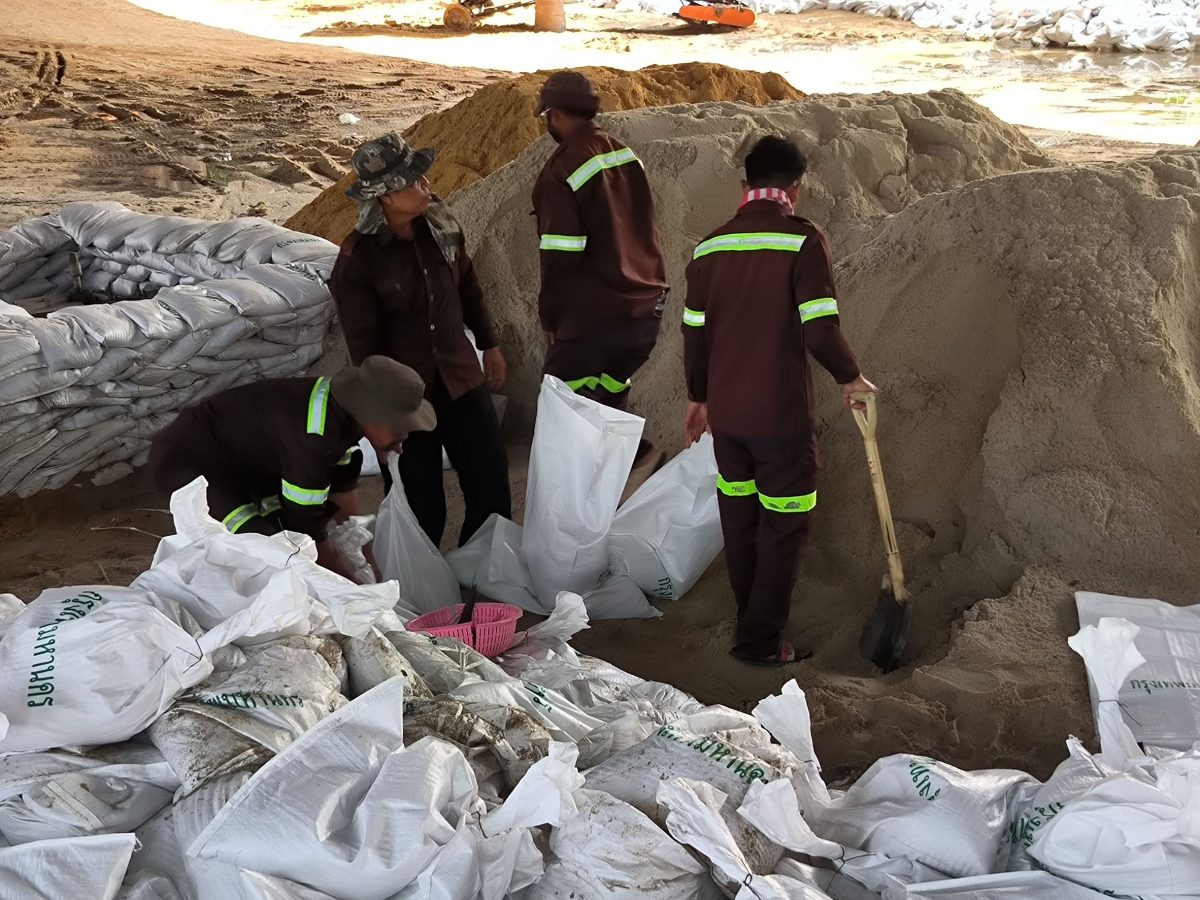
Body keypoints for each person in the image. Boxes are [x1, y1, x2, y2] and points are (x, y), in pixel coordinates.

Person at [681, 135, 877, 667]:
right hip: (781, 420)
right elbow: (819, 328)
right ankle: (760, 642)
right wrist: (851, 376)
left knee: (740, 521)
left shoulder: (709, 247)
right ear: (797, 188)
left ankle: (752, 624)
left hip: (728, 418)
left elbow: (694, 333)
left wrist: (698, 398)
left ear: (744, 186)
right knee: (784, 526)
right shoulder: (802, 240)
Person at [330, 132, 511, 548]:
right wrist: (381, 414)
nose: (426, 186)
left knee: (490, 482)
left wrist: (490, 345)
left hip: (461, 377)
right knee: (421, 502)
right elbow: (365, 348)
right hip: (405, 400)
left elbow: (468, 289)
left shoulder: (442, 229)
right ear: (386, 197)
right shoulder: (360, 259)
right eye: (413, 182)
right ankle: (423, 596)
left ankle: (481, 574)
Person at [147, 357, 436, 580]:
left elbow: (343, 490)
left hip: (248, 467)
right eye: (400, 427)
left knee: (286, 543)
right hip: (192, 465)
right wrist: (351, 587)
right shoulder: (315, 437)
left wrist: (370, 559)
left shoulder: (343, 412)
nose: (404, 437)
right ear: (373, 414)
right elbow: (305, 526)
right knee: (266, 550)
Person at [532, 71, 669, 471]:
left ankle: (638, 461)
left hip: (595, 316)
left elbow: (561, 254)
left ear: (554, 114)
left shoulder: (562, 169)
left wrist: (551, 316)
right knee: (606, 402)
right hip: (644, 311)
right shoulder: (623, 153)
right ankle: (624, 490)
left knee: (563, 407)